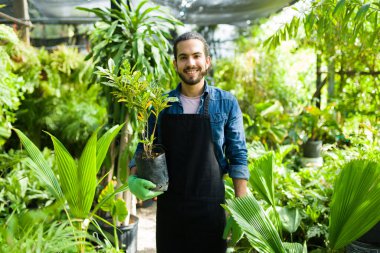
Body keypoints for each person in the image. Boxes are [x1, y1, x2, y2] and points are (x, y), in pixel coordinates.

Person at [128, 31, 249, 253]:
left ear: (207, 61)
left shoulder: (226, 103)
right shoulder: (159, 105)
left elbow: (238, 154)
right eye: (183, 57)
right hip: (170, 210)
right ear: (175, 64)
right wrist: (133, 178)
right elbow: (144, 148)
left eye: (196, 56)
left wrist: (241, 204)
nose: (190, 63)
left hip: (211, 208)